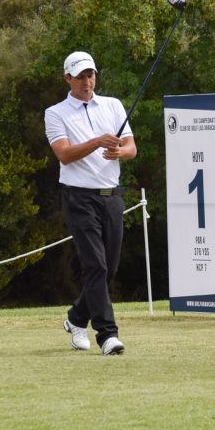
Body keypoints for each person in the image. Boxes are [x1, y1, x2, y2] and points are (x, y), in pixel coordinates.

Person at [44, 51, 137, 356]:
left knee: (109, 268)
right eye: (80, 76)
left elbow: (131, 148)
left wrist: (119, 152)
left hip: (112, 197)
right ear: (67, 78)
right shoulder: (55, 113)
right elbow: (64, 154)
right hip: (79, 197)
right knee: (95, 265)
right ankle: (108, 335)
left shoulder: (112, 105)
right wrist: (98, 141)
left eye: (90, 75)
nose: (87, 82)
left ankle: (76, 317)